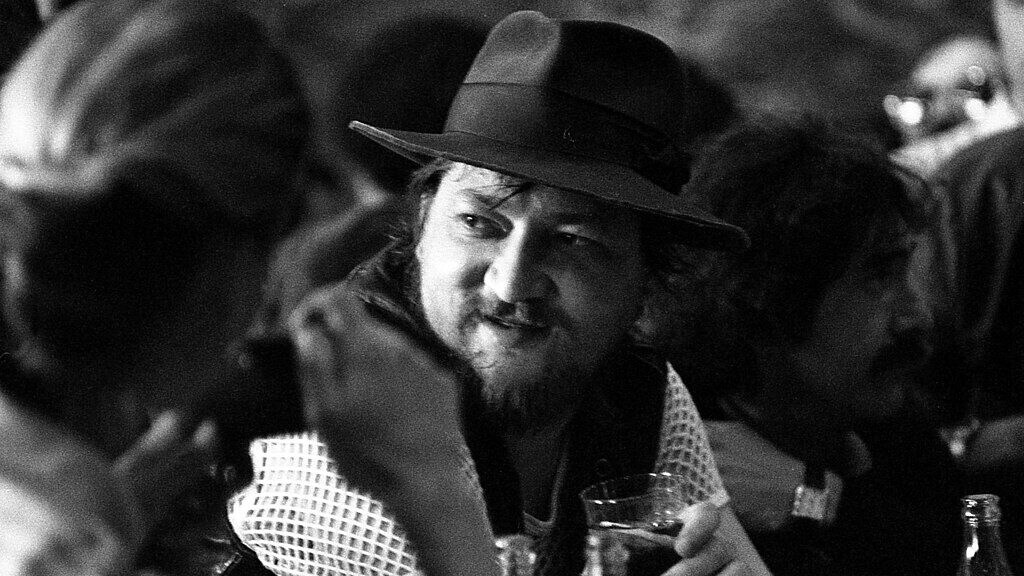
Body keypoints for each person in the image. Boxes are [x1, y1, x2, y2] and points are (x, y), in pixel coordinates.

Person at [231, 10, 767, 576]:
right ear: (421, 222)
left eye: (573, 240)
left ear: (646, 276)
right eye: (479, 223)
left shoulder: (644, 396)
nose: (510, 283)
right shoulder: (343, 407)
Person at [0, 0, 498, 574]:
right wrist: (433, 486)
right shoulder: (66, 551)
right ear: (229, 269)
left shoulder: (69, 512)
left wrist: (123, 509)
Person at [667, 117, 973, 576]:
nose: (917, 315)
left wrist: (813, 498)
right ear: (767, 295)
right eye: (879, 276)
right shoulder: (677, 459)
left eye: (907, 271)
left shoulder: (894, 433)